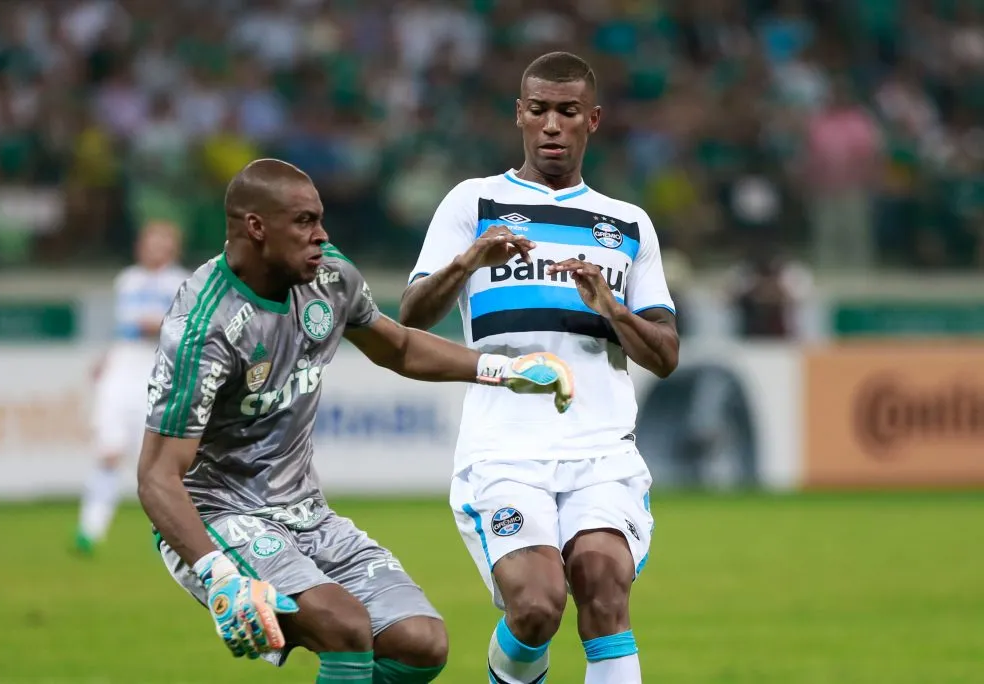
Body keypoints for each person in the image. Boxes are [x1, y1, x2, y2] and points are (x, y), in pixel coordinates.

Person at [137, 158, 574, 684]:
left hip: (306, 513)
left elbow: (399, 347)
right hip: (219, 519)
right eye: (304, 222)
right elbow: (157, 476)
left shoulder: (329, 276)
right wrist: (217, 573)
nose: (321, 235)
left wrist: (503, 369)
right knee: (343, 627)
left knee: (420, 644)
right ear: (256, 227)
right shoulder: (203, 326)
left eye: (320, 219)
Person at [399, 52, 679, 684]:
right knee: (535, 608)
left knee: (604, 587)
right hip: (505, 452)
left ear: (592, 120)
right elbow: (412, 316)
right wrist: (468, 262)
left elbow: (665, 354)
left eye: (568, 111)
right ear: (519, 115)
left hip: (601, 451)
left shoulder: (628, 224)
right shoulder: (474, 202)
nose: (553, 125)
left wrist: (611, 307)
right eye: (539, 110)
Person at [75, 220, 189, 554]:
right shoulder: (127, 280)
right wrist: (106, 357)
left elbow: (183, 329)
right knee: (108, 452)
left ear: (172, 248)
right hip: (120, 371)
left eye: (161, 242)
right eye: (149, 242)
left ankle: (169, 532)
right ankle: (90, 530)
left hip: (155, 373)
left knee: (154, 463)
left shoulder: (183, 283)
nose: (153, 248)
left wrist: (158, 325)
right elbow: (125, 328)